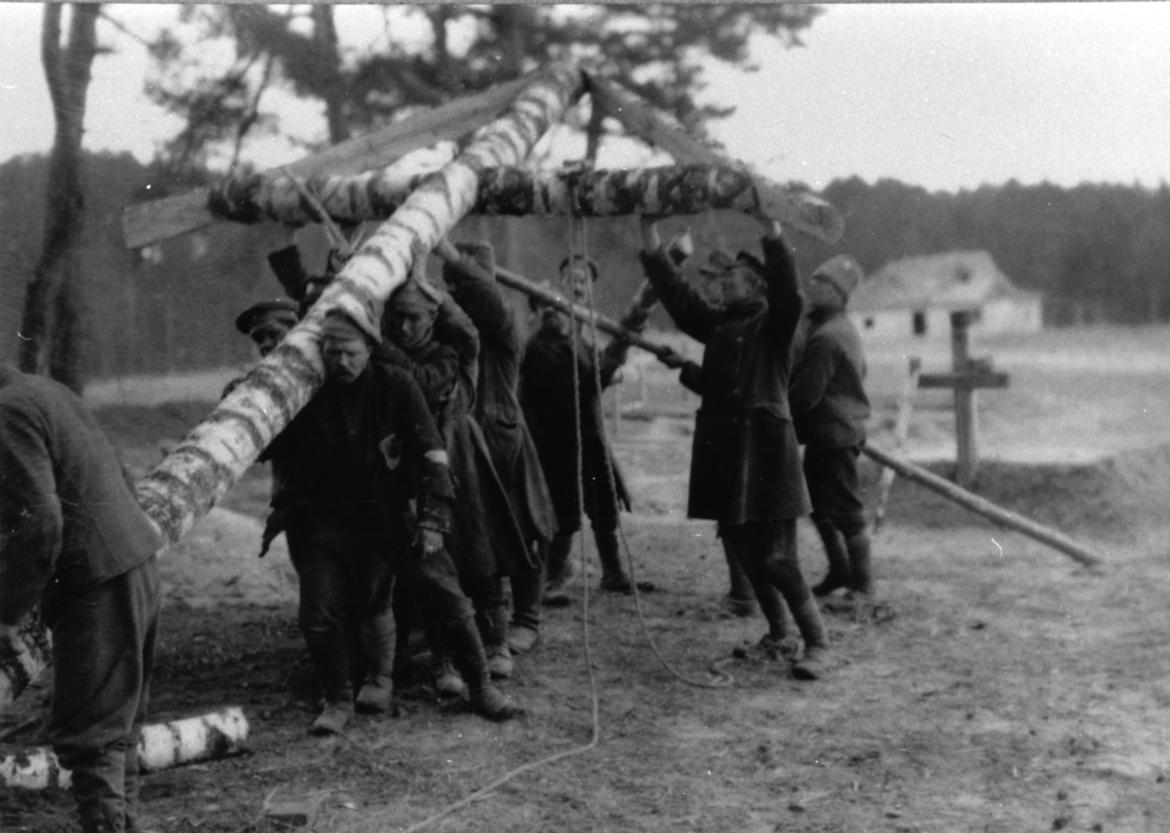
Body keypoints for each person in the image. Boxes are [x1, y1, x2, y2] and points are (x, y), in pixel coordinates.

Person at [264, 306, 520, 730]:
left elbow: (432, 452)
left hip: (391, 514)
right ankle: (337, 700)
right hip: (326, 524)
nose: (341, 361)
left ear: (369, 348)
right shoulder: (306, 391)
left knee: (446, 593)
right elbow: (265, 444)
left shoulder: (396, 385)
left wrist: (433, 519)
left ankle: (482, 687)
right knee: (318, 612)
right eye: (332, 352)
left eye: (349, 352)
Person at [638, 212, 835, 680]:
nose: (723, 286)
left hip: (767, 449)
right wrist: (649, 238)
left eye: (733, 280)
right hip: (726, 449)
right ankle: (779, 633)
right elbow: (681, 302)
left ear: (757, 286)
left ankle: (819, 643)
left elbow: (790, 290)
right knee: (744, 547)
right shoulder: (724, 325)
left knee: (778, 557)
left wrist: (773, 231)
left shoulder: (778, 322)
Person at [0, 364, 164, 833]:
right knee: (118, 733)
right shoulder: (45, 392)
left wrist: (8, 615)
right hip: (133, 565)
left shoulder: (8, 412)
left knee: (94, 738)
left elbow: (39, 524)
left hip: (97, 584)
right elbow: (121, 472)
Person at [381, 262, 530, 683]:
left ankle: (497, 642)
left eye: (415, 317)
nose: (405, 327)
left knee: (480, 556)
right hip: (415, 468)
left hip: (460, 462)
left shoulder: (449, 355)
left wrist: (429, 286)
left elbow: (427, 373)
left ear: (432, 317)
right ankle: (444, 656)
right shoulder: (392, 354)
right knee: (432, 564)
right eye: (399, 318)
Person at [435, 238, 557, 657]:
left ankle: (528, 618)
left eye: (463, 285)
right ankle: (482, 617)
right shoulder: (446, 327)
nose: (456, 295)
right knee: (471, 533)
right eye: (450, 286)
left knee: (526, 530)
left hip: (503, 441)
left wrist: (451, 256)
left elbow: (487, 302)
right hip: (463, 443)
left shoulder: (504, 327)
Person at [520, 255, 642, 598]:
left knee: (603, 500)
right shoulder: (546, 333)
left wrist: (606, 369)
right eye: (570, 278)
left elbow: (589, 374)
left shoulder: (582, 331)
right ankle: (553, 574)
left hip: (587, 434)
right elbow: (573, 386)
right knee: (564, 507)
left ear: (590, 290)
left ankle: (613, 572)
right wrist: (608, 370)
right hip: (556, 437)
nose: (576, 285)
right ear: (559, 285)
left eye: (583, 281)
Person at [789, 255, 875, 605]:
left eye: (824, 284)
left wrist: (778, 420)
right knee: (818, 508)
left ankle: (864, 587)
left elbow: (805, 396)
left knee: (847, 512)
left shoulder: (828, 337)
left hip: (834, 433)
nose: (814, 287)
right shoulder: (836, 327)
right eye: (813, 280)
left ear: (841, 296)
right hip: (832, 430)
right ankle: (840, 571)